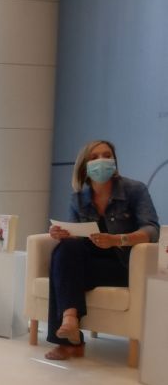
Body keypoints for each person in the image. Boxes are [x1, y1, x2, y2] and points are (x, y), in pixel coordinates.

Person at [45, 139, 159, 360]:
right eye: (95, 157)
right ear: (85, 166)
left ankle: (69, 341)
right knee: (63, 251)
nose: (102, 160)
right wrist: (61, 233)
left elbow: (152, 229)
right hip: (90, 265)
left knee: (60, 267)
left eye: (107, 155)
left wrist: (117, 240)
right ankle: (70, 321)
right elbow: (75, 237)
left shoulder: (135, 190)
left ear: (114, 161)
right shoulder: (78, 198)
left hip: (124, 266)